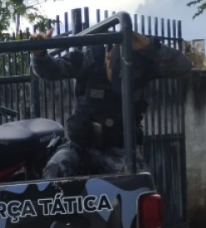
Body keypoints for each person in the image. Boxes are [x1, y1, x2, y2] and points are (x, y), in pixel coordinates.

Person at [29, 28, 192, 179]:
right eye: (115, 72)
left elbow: (183, 66)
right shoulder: (89, 60)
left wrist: (149, 45)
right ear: (107, 58)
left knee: (140, 182)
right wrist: (39, 54)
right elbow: (50, 69)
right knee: (53, 173)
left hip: (120, 150)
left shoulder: (143, 66)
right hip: (79, 147)